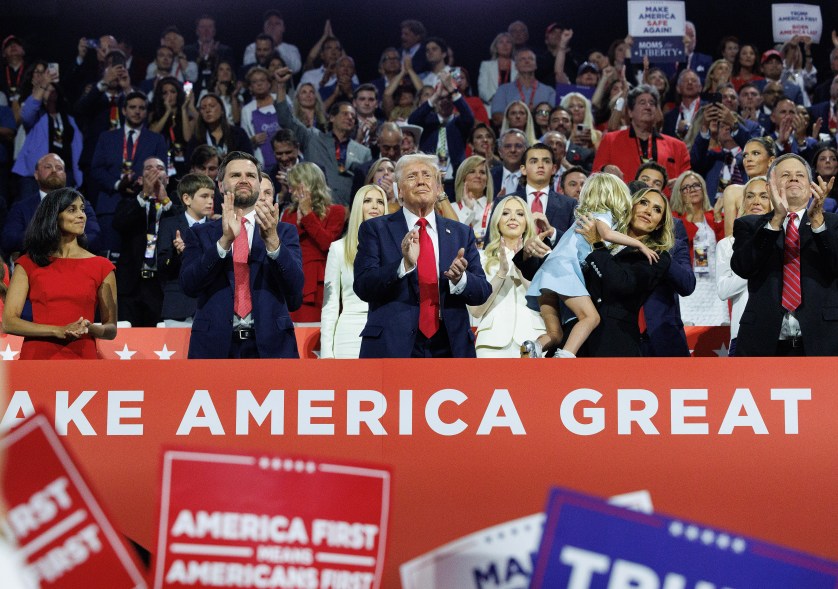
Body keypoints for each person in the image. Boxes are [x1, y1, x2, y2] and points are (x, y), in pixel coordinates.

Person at [353, 153, 491, 358]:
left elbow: (482, 291)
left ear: (438, 189)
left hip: (450, 346)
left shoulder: (461, 233)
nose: (420, 181)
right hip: (393, 346)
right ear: (399, 191)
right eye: (411, 176)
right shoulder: (375, 229)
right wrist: (403, 265)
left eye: (427, 175)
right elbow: (363, 286)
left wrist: (460, 279)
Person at [180, 151, 304, 358]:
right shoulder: (199, 234)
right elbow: (189, 286)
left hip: (272, 346)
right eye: (236, 175)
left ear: (258, 183)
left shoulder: (283, 232)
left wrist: (273, 242)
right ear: (220, 185)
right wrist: (224, 242)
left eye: (251, 175)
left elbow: (295, 286)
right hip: (214, 347)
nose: (244, 180)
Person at [522, 173, 659, 358]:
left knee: (555, 334)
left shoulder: (583, 217)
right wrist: (639, 244)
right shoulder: (602, 216)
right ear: (616, 196)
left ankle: (533, 347)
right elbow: (607, 235)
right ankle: (565, 357)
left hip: (547, 277)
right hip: (564, 274)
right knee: (590, 318)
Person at [730, 153, 837, 356]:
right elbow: (743, 267)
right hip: (764, 341)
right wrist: (776, 221)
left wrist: (818, 224)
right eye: (786, 175)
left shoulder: (832, 224)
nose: (794, 178)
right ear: (770, 187)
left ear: (810, 185)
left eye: (800, 175)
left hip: (823, 341)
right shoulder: (749, 225)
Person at [2, 188, 117, 359]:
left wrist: (91, 328)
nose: (81, 215)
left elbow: (111, 329)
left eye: (82, 209)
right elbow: (10, 322)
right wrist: (58, 330)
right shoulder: (28, 264)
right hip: (37, 360)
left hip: (83, 359)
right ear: (54, 216)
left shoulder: (102, 266)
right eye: (72, 210)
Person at [275, 67, 371, 206]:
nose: (350, 118)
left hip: (348, 212)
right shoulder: (312, 138)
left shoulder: (363, 152)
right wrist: (281, 85)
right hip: (316, 208)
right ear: (331, 117)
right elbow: (286, 119)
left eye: (353, 116)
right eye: (345, 114)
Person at [90, 90, 169, 255]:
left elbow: (162, 170)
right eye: (133, 107)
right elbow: (96, 169)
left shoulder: (156, 139)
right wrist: (118, 184)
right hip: (110, 205)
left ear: (146, 112)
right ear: (124, 110)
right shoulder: (107, 137)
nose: (137, 111)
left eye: (141, 108)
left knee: (137, 262)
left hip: (144, 208)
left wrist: (144, 184)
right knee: (109, 258)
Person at [468, 195, 546, 357]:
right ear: (497, 220)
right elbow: (476, 310)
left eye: (519, 213)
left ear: (527, 222)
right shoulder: (480, 258)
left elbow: (547, 306)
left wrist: (521, 271)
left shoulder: (543, 256)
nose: (512, 218)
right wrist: (501, 273)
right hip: (490, 344)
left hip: (534, 341)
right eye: (505, 213)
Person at [320, 185, 386, 358]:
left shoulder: (395, 249)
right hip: (349, 333)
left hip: (387, 330)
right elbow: (330, 304)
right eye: (367, 201)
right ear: (358, 206)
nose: (375, 206)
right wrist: (326, 353)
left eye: (380, 202)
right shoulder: (338, 249)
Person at [280, 162, 346, 323]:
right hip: (294, 281)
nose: (290, 191)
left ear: (308, 185)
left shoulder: (336, 211)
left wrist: (308, 214)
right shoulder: (288, 214)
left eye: (294, 186)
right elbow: (285, 248)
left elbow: (326, 243)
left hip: (321, 284)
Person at [4, 154, 101, 257]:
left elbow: (94, 237)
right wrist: (50, 238)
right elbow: (9, 240)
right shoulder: (21, 207)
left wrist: (66, 245)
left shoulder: (83, 205)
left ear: (65, 175)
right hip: (36, 264)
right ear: (36, 174)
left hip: (74, 263)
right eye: (48, 167)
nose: (54, 170)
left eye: (59, 168)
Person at [716, 176, 771, 355]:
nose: (756, 201)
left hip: (780, 335)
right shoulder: (726, 244)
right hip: (742, 333)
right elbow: (724, 290)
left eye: (764, 196)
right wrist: (755, 261)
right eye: (750, 196)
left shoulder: (788, 240)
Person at [592, 85, 691, 184]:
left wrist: (680, 184)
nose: (648, 107)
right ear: (630, 112)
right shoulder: (610, 140)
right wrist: (604, 170)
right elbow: (594, 176)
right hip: (625, 198)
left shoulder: (678, 147)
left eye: (652, 103)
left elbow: (688, 182)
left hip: (663, 199)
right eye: (642, 103)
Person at [669, 171, 728, 326]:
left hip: (713, 284)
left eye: (696, 185)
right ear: (679, 193)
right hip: (689, 283)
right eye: (686, 187)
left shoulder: (712, 215)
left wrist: (717, 217)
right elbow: (680, 244)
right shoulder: (674, 218)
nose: (692, 189)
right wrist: (688, 216)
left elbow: (725, 245)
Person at [157, 172, 214, 326]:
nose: (210, 201)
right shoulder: (169, 225)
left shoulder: (218, 227)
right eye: (204, 196)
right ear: (187, 199)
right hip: (178, 307)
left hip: (211, 307)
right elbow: (162, 266)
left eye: (212, 197)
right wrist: (176, 254)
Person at [721, 136, 776, 235]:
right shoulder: (732, 192)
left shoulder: (780, 191)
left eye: (755, 153)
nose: (748, 159)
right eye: (745, 155)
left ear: (771, 161)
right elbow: (729, 238)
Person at [186, 93, 252, 161]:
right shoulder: (197, 139)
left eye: (212, 106)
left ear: (222, 110)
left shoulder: (238, 134)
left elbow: (248, 160)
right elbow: (189, 164)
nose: (208, 110)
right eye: (203, 108)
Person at [453, 155, 494, 247]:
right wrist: (468, 209)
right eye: (472, 171)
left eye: (482, 172)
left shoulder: (495, 208)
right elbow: (455, 236)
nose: (478, 176)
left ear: (487, 180)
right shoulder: (451, 208)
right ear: (463, 178)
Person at [478, 33, 517, 109]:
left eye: (508, 42)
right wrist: (497, 100)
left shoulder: (518, 66)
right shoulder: (486, 65)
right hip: (491, 108)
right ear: (496, 47)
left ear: (512, 47)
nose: (505, 45)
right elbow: (482, 89)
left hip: (513, 108)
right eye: (501, 42)